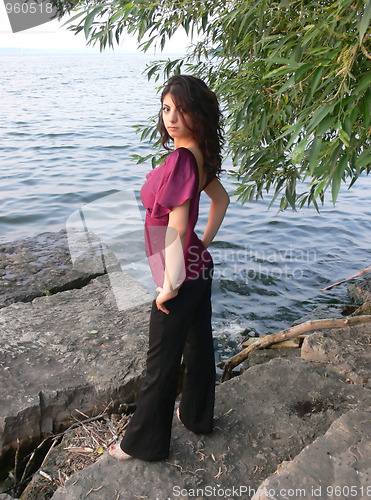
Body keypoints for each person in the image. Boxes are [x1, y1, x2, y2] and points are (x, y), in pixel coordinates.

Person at [109, 74, 230, 462]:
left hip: (181, 275)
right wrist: (202, 246)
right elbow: (221, 201)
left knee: (159, 365)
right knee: (197, 350)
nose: (171, 118)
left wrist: (169, 283)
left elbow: (177, 227)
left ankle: (143, 445)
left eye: (182, 109)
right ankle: (197, 418)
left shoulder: (181, 158)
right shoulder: (197, 154)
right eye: (166, 109)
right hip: (199, 268)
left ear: (199, 113)